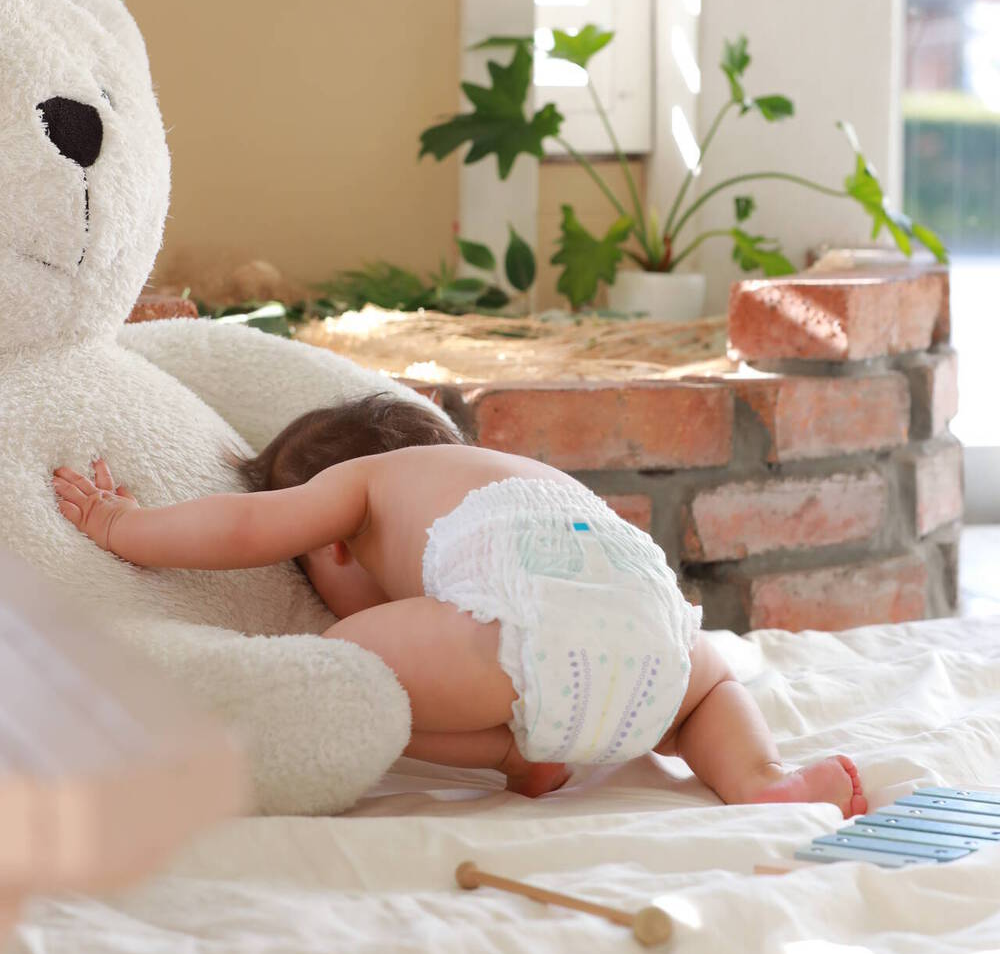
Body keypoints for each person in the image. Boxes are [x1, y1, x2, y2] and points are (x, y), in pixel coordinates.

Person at [54, 391, 866, 814]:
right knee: (711, 689)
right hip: (660, 640)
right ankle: (763, 778)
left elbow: (242, 527)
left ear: (331, 545)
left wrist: (123, 525)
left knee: (336, 671)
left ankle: (513, 755)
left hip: (517, 635)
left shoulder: (357, 485)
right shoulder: (515, 473)